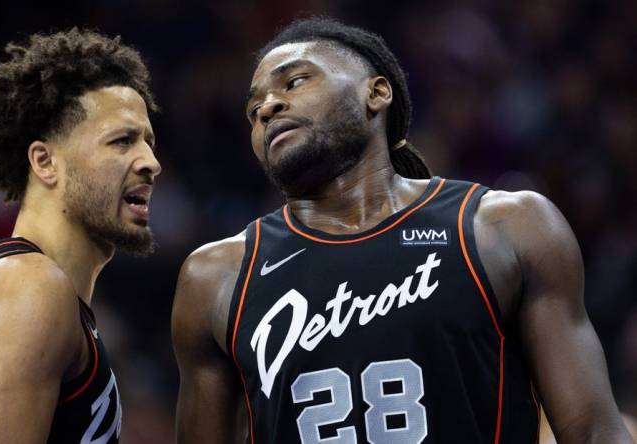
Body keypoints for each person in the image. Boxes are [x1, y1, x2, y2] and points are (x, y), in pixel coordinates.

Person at [172, 17, 634, 444]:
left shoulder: (505, 227)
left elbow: (592, 431)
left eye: (294, 82)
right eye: (253, 110)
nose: (268, 107)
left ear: (377, 93)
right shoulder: (216, 276)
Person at [0, 29, 160, 443]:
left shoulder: (53, 297)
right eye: (122, 141)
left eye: (148, 142)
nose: (151, 162)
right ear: (45, 162)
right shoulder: (29, 288)